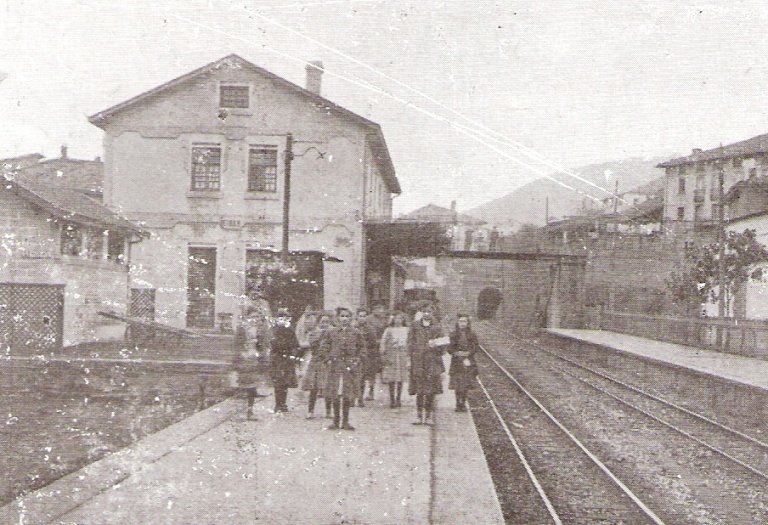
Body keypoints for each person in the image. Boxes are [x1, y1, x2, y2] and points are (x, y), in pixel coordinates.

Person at [321, 307, 365, 430]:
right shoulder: (332, 332)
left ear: (351, 318)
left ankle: (345, 421)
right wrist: (327, 358)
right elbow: (324, 346)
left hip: (349, 367)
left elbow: (362, 348)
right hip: (335, 366)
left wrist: (357, 360)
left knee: (347, 394)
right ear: (338, 318)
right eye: (342, 316)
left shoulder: (356, 332)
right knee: (335, 393)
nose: (344, 319)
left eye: (347, 316)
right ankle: (336, 421)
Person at [408, 302, 447, 425]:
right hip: (418, 361)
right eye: (424, 311)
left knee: (430, 390)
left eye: (429, 312)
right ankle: (419, 416)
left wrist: (436, 345)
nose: (426, 314)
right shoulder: (415, 326)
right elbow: (409, 342)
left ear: (433, 313)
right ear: (421, 313)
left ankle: (429, 415)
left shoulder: (438, 327)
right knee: (420, 390)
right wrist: (410, 358)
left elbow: (444, 343)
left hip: (432, 362)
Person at [231, 309, 264, 420]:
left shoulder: (258, 330)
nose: (255, 319)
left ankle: (250, 411)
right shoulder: (242, 328)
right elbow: (236, 344)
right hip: (243, 359)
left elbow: (260, 345)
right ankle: (239, 411)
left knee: (252, 386)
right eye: (253, 316)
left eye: (257, 317)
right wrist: (241, 355)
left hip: (253, 359)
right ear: (247, 316)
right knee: (242, 385)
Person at [302, 312, 333, 419]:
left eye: (327, 322)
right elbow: (313, 346)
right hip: (316, 362)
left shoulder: (333, 333)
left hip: (327, 362)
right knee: (313, 387)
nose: (325, 324)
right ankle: (310, 411)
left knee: (327, 387)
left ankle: (329, 411)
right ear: (318, 323)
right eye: (322, 322)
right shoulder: (314, 334)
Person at [269, 308, 300, 413]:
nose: (282, 320)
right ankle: (278, 404)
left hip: (287, 358)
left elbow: (295, 344)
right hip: (276, 358)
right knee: (278, 382)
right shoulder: (273, 330)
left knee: (285, 382)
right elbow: (270, 343)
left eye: (285, 318)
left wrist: (293, 355)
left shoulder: (290, 330)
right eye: (280, 318)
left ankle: (283, 403)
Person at [448, 313, 479, 412]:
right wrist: (456, 353)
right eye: (461, 321)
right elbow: (449, 348)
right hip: (457, 361)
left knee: (466, 384)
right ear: (457, 322)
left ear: (468, 323)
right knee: (458, 384)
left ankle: (463, 403)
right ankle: (458, 403)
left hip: (468, 361)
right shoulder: (453, 334)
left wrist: (468, 353)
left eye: (464, 321)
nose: (462, 323)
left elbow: (476, 347)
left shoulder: (472, 334)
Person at [379, 310, 409, 408]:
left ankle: (398, 398)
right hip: (391, 354)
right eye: (396, 318)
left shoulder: (406, 330)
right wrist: (383, 353)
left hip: (402, 355)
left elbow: (409, 342)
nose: (398, 320)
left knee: (400, 377)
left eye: (400, 318)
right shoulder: (389, 330)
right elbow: (383, 342)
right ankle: (392, 399)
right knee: (391, 377)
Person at [356, 308, 385, 406]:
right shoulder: (354, 327)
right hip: (356, 354)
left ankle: (368, 393)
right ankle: (356, 397)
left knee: (368, 375)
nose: (362, 318)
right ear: (357, 317)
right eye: (360, 316)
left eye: (364, 316)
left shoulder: (370, 328)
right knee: (357, 376)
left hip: (369, 354)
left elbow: (373, 342)